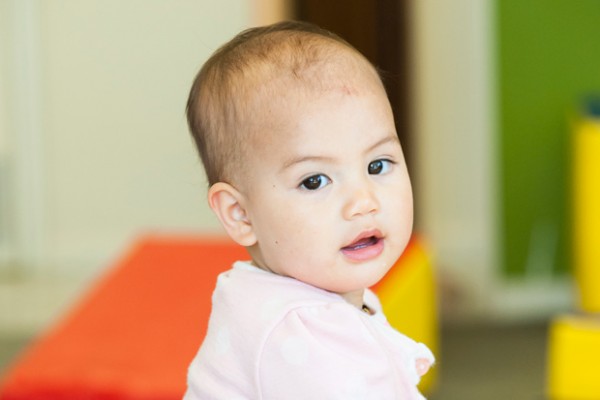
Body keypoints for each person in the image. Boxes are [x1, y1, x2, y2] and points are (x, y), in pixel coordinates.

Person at [183, 20, 434, 399]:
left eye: (377, 166)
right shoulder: (304, 330)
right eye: (314, 181)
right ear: (240, 214)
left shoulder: (278, 298)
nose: (363, 202)